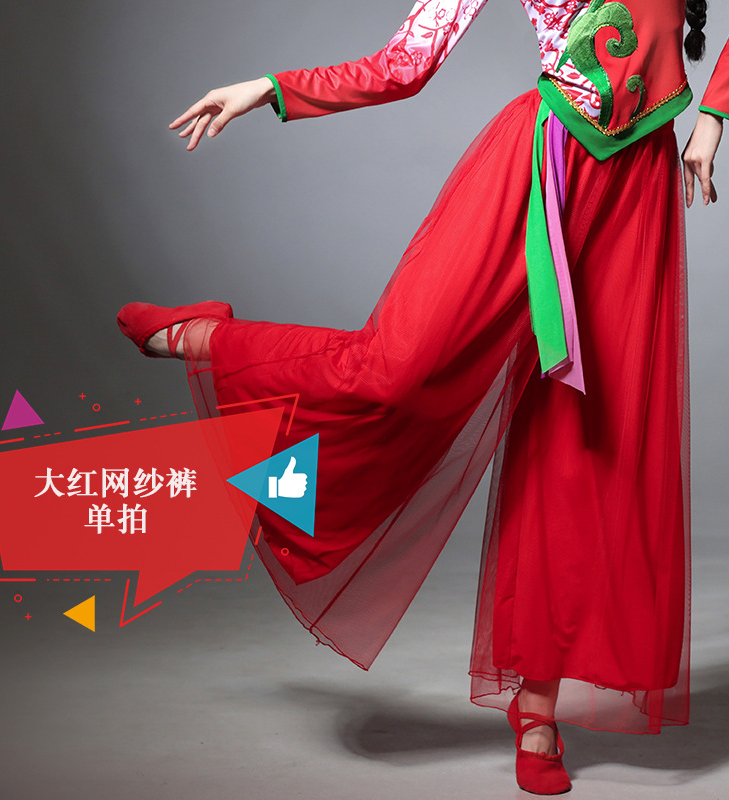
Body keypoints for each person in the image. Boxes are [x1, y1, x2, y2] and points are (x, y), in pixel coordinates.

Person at [117, 1, 727, 794]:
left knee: (584, 439)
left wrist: (712, 119)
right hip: (540, 169)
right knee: (392, 369)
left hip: (635, 190)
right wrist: (269, 88)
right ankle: (207, 338)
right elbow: (403, 64)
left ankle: (536, 707)